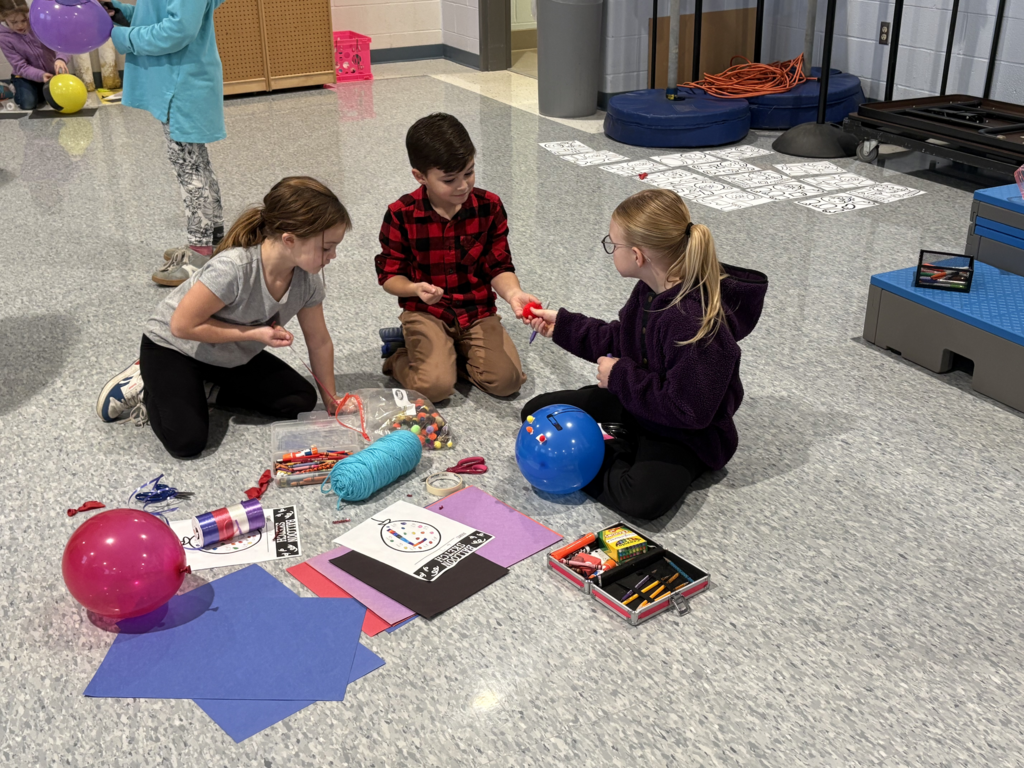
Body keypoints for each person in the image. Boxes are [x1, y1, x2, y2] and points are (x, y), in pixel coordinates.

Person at [522, 188, 768, 520]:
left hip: (684, 432)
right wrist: (563, 326)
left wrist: (619, 378)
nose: (610, 250)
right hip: (639, 401)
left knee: (640, 499)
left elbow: (690, 411)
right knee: (537, 411)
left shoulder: (692, 321)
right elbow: (620, 338)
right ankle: (621, 441)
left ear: (637, 255)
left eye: (613, 244)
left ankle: (612, 449)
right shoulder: (650, 290)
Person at [96, 177, 349, 459]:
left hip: (227, 354)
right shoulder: (234, 268)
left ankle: (204, 389)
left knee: (300, 400)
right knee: (186, 442)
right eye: (326, 248)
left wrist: (332, 401)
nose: (333, 256)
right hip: (173, 348)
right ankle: (144, 382)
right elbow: (182, 326)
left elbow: (319, 342)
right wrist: (254, 334)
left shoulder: (307, 281)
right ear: (289, 240)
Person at [374, 112, 541, 403]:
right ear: (420, 176)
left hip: (476, 309)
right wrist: (414, 289)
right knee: (435, 389)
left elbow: (498, 265)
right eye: (449, 179)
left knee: (507, 382)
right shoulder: (402, 214)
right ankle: (399, 355)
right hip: (426, 311)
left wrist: (513, 293)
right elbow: (389, 276)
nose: (463, 185)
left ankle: (446, 357)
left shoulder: (489, 206)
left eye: (469, 172)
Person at [106, 0, 227, 287]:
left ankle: (198, 254)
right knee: (197, 164)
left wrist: (122, 37)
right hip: (178, 83)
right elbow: (156, 13)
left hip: (181, 86)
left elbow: (178, 30)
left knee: (190, 171)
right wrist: (122, 13)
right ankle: (214, 241)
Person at [0, 7, 68, 110]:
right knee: (28, 104)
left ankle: (39, 90)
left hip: (49, 73)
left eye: (24, 20)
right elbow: (20, 66)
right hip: (24, 75)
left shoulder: (40, 24)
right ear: (4, 19)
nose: (20, 26)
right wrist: (40, 75)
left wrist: (61, 59)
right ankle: (15, 88)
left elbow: (62, 44)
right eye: (14, 22)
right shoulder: (3, 38)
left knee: (60, 99)